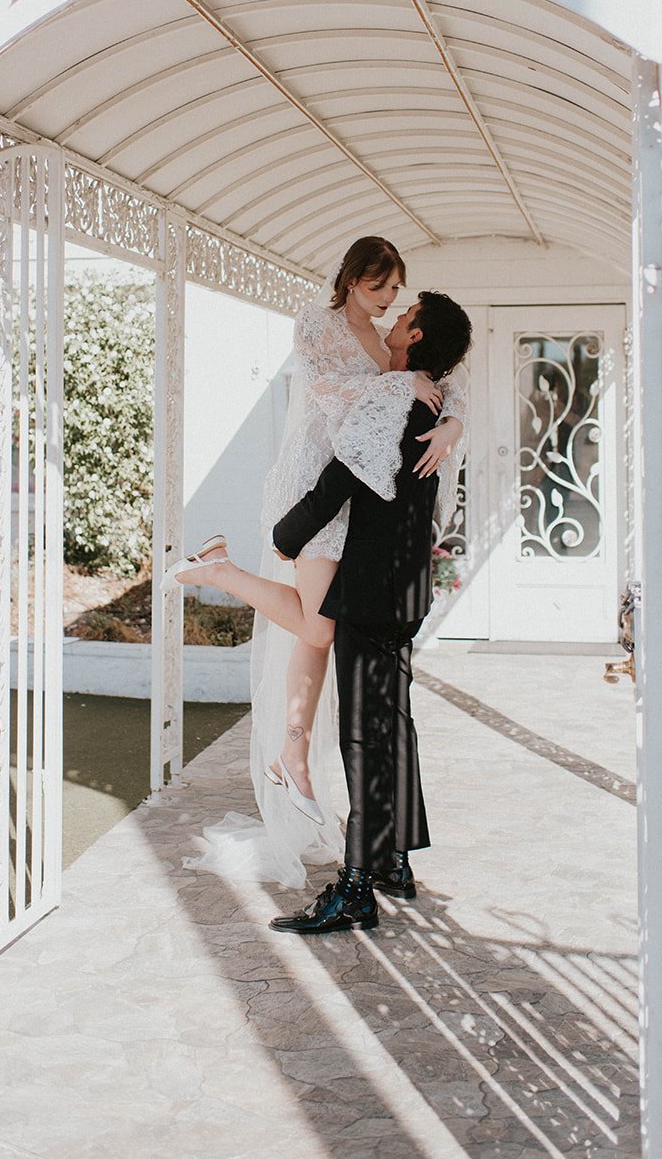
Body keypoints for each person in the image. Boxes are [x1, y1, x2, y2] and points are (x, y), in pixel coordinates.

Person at [174, 239, 467, 887]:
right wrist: (401, 389)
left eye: (396, 292)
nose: (388, 301)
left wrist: (451, 423)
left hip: (353, 500)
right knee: (319, 628)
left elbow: (447, 384)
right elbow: (337, 402)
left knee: (320, 630)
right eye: (378, 289)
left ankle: (296, 755)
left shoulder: (400, 352)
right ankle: (224, 579)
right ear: (351, 282)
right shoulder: (321, 326)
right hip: (318, 485)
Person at [227, 291, 474, 933]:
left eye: (405, 313)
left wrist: (285, 535)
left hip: (370, 587)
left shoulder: (393, 396)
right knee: (394, 722)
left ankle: (357, 884)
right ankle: (393, 859)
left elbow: (341, 477)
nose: (394, 317)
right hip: (407, 587)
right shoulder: (436, 397)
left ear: (416, 337)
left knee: (366, 734)